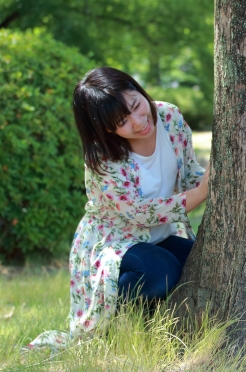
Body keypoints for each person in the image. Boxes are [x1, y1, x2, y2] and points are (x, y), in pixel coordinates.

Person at [28, 67, 209, 350]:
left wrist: (216, 178)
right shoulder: (102, 157)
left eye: (137, 106)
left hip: (158, 236)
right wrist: (201, 193)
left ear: (138, 89)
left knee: (200, 262)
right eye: (122, 122)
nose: (139, 122)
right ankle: (112, 329)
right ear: (106, 128)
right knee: (160, 271)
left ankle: (151, 323)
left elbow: (188, 174)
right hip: (114, 240)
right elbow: (137, 212)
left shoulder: (168, 117)